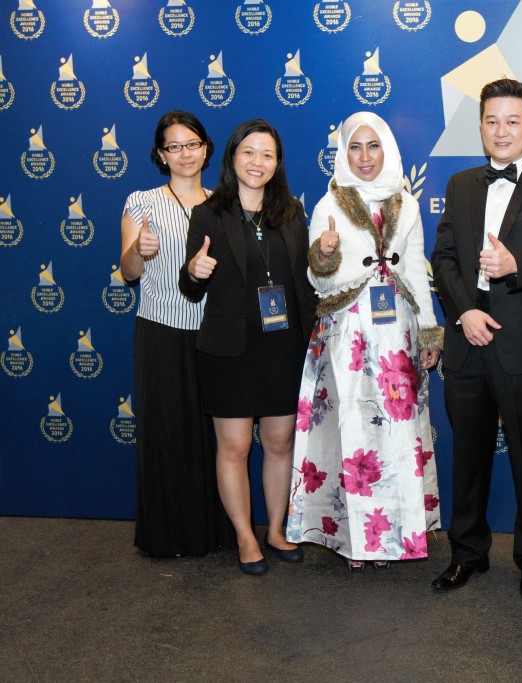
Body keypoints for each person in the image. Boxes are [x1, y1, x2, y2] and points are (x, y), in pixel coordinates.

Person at [430, 78, 522, 599]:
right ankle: (467, 554)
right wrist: (464, 311)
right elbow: (444, 257)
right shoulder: (460, 184)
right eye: (491, 120)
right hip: (467, 338)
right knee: (467, 457)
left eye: (513, 121)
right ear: (480, 126)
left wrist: (517, 265)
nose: (501, 130)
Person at [284, 112, 443, 571]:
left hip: (396, 335)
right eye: (355, 147)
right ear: (344, 152)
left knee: (395, 436)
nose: (365, 156)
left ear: (387, 150)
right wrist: (324, 255)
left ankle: (396, 533)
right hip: (348, 335)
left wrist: (429, 330)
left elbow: (417, 272)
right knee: (352, 436)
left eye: (374, 146)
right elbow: (318, 281)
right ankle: (355, 540)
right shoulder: (328, 204)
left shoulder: (407, 204)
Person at [178, 119, 317, 576]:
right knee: (235, 446)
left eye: (268, 155)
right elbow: (190, 286)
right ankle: (244, 535)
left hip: (283, 348)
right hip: (228, 350)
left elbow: (306, 282)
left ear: (278, 163)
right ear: (233, 157)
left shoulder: (292, 213)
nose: (258, 162)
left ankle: (275, 529)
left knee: (279, 443)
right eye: (249, 152)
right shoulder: (209, 212)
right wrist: (194, 272)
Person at [120, 110, 234, 557]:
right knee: (166, 433)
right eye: (174, 146)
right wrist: (139, 249)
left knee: (217, 437)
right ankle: (166, 536)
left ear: (206, 149)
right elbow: (129, 273)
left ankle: (215, 534)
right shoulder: (142, 202)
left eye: (192, 144)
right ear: (161, 154)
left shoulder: (224, 203)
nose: (185, 154)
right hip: (161, 333)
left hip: (214, 334)